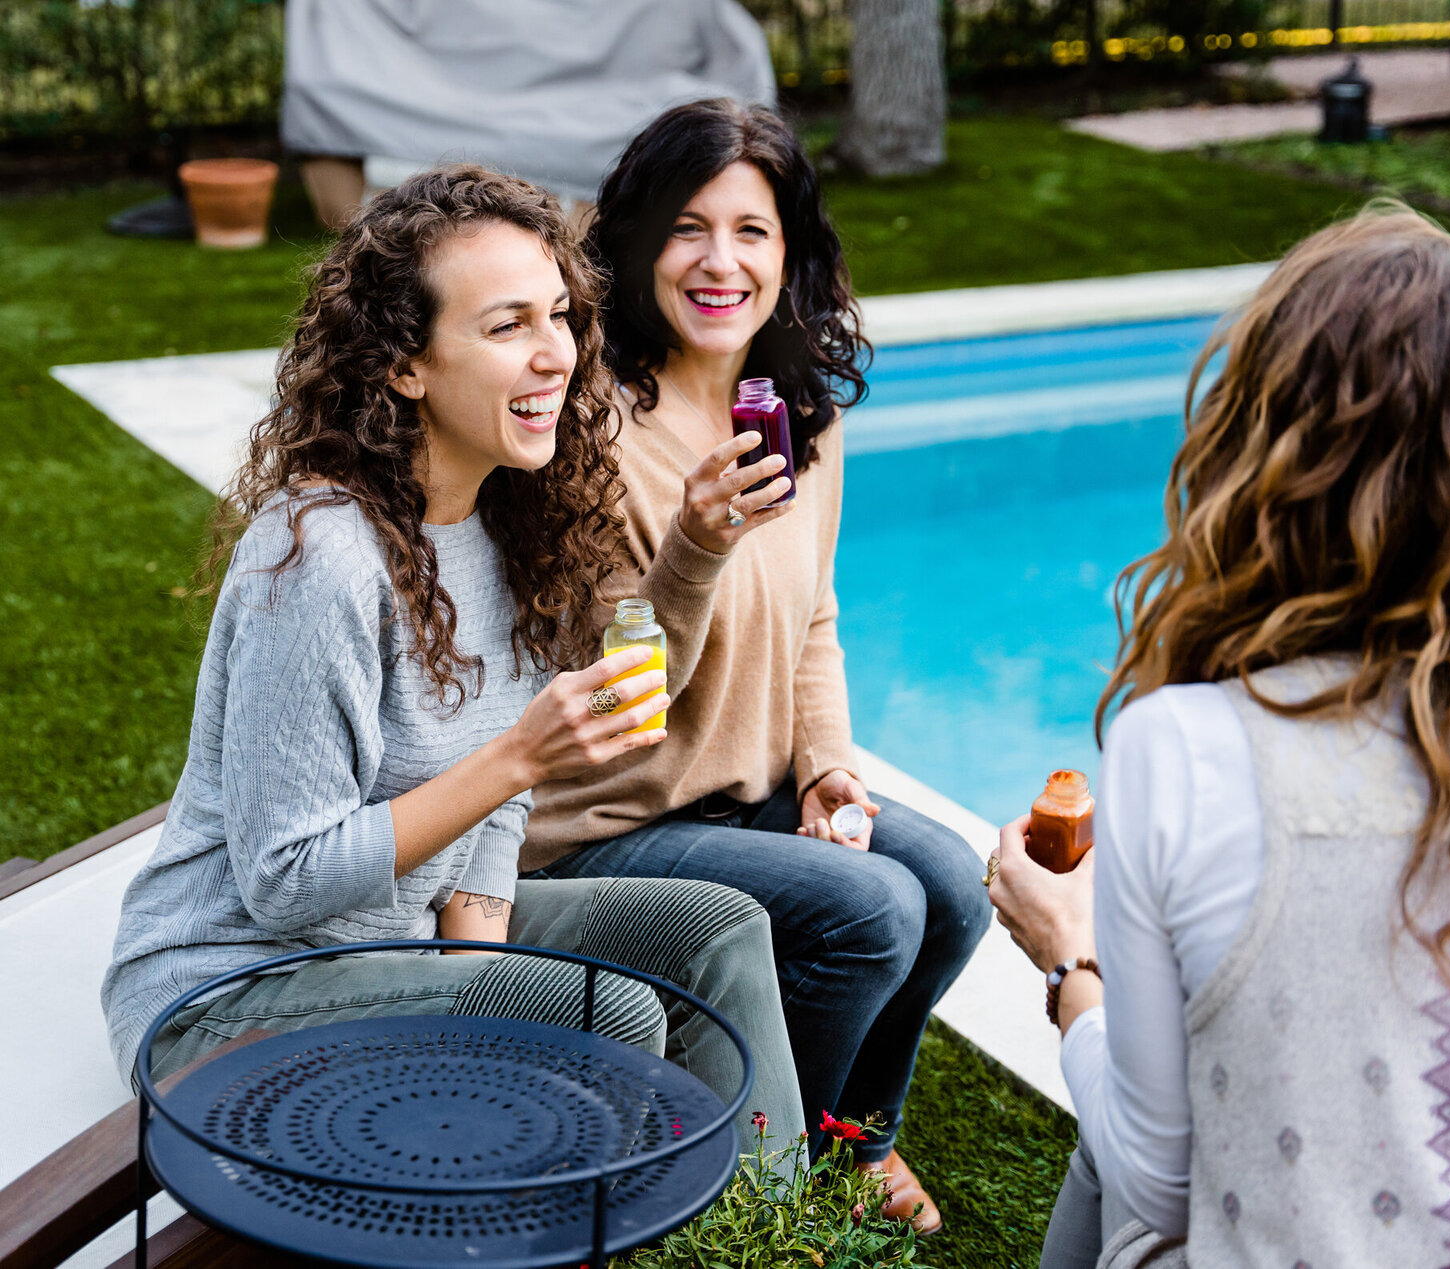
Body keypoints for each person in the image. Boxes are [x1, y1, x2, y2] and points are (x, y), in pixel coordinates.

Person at [101, 164, 804, 1164]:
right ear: (403, 366)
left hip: (391, 945)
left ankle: (777, 1234)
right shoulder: (320, 557)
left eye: (558, 315)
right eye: (506, 325)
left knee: (721, 931)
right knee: (602, 1013)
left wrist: (474, 963)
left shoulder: (510, 523)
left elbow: (494, 814)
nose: (555, 354)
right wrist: (518, 761)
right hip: (229, 997)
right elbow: (283, 883)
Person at [988, 206, 1450, 1268]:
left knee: (1119, 1169)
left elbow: (1158, 1177)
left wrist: (1065, 960)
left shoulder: (1185, 749)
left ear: (1263, 455)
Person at [520, 99, 989, 1232]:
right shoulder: (588, 430)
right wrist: (696, 547)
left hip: (746, 792)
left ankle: (853, 1142)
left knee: (955, 889)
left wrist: (828, 768)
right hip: (605, 821)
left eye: (752, 230)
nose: (719, 260)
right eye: (687, 227)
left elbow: (813, 615)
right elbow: (615, 702)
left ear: (793, 253)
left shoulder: (799, 419)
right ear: (634, 245)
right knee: (873, 910)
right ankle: (743, 1174)